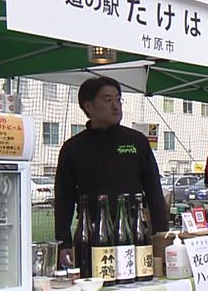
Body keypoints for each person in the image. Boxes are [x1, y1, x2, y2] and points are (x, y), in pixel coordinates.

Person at [54, 76, 168, 268]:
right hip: (91, 235)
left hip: (134, 233)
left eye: (118, 99)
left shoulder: (136, 141)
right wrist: (63, 242)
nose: (116, 106)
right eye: (108, 100)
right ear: (88, 107)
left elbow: (154, 190)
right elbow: (63, 198)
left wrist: (161, 235)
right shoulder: (73, 148)